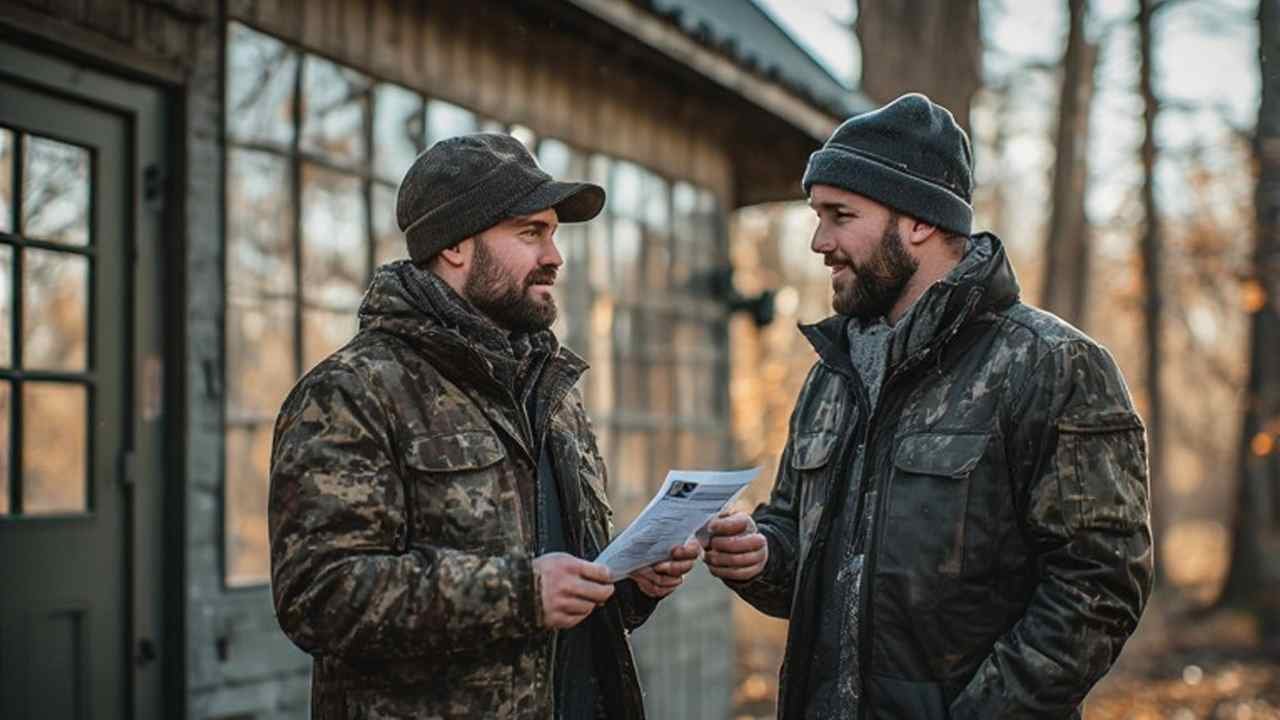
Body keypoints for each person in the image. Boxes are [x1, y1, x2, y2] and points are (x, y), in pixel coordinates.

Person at [703, 93, 1153, 719]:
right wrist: (759, 555)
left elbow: (1098, 587)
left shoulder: (1051, 365)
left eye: (840, 215)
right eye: (818, 216)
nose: (818, 242)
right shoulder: (831, 376)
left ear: (917, 221)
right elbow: (798, 542)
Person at [268, 133, 699, 720]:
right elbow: (319, 596)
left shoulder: (553, 394)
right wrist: (519, 593)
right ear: (454, 246)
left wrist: (630, 582)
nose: (555, 256)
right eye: (531, 233)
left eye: (553, 233)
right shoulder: (353, 391)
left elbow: (569, 587)